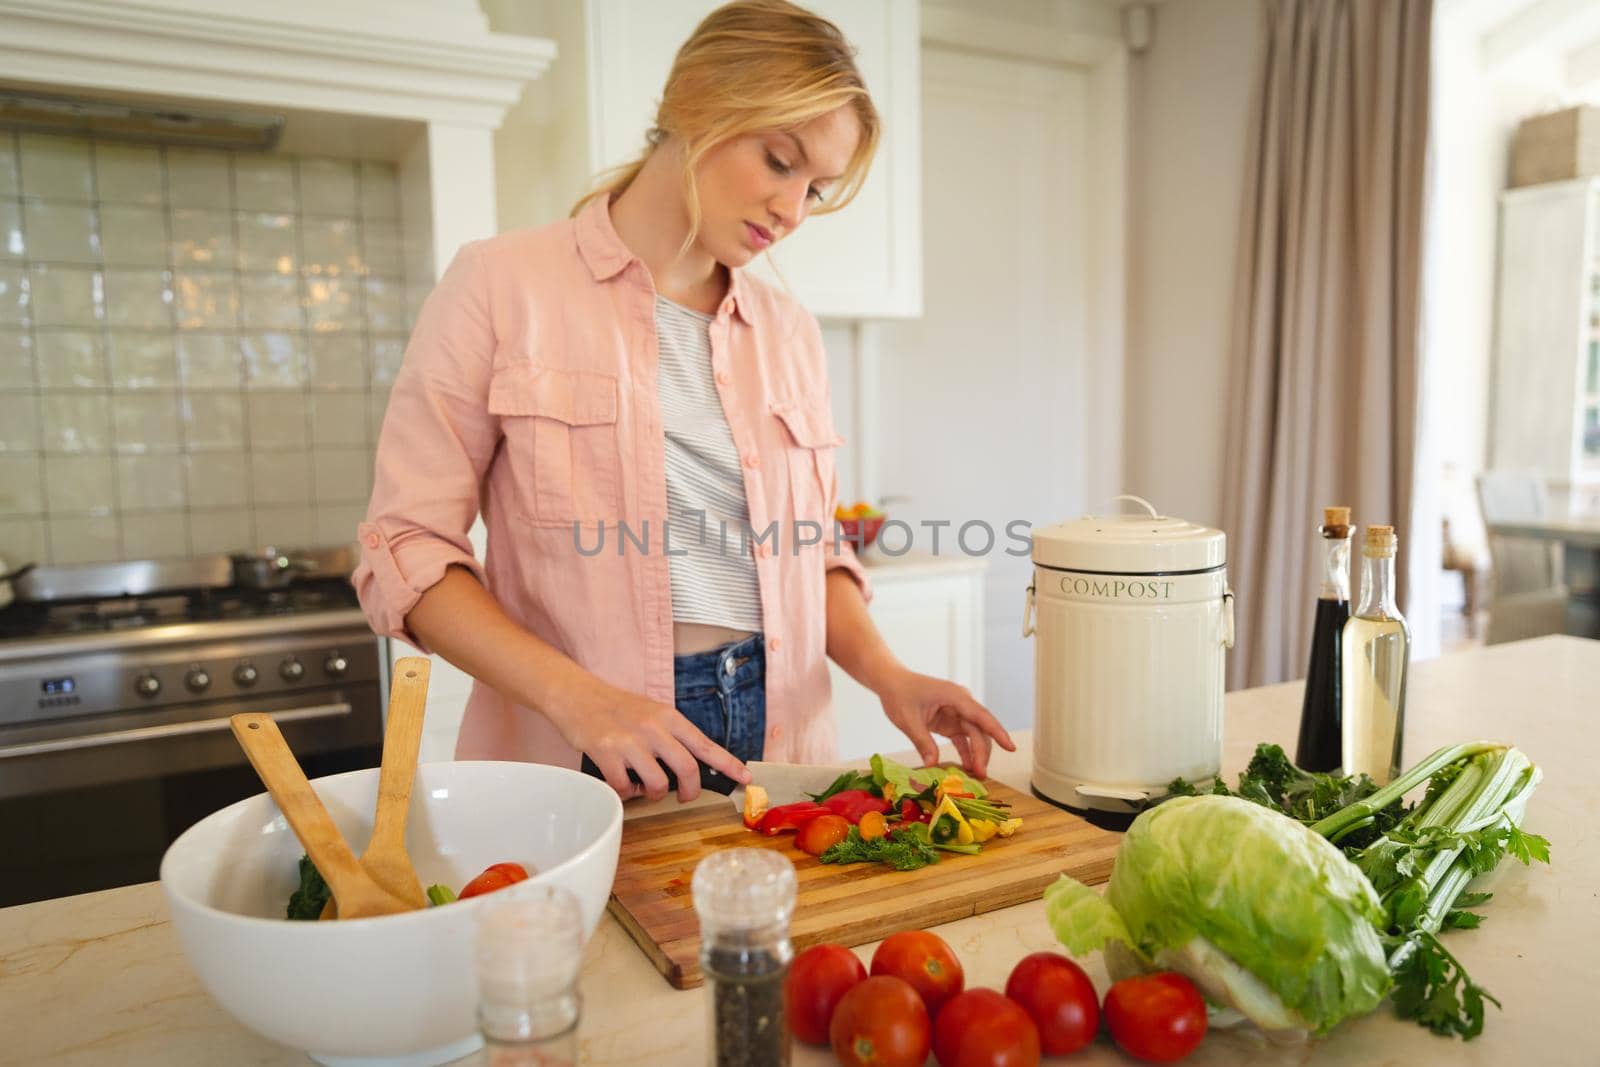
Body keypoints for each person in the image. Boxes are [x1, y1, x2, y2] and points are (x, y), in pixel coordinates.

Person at [353, 0, 1014, 803]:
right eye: (779, 161)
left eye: (816, 188)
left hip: (782, 737)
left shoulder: (788, 328)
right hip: (587, 741)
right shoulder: (499, 285)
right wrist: (581, 699)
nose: (793, 210)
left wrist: (891, 674)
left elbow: (814, 552)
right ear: (696, 104)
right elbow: (407, 550)